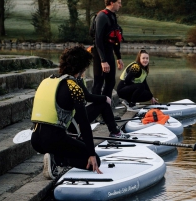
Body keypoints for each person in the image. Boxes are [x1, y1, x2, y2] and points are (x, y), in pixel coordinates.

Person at [30, 45, 126, 180]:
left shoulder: (47, 81)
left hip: (35, 140)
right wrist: (91, 153)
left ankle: (56, 155)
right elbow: (84, 123)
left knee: (71, 144)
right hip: (53, 139)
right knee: (95, 162)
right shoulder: (74, 87)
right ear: (82, 67)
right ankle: (57, 159)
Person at [91, 0, 124, 98]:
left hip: (109, 52)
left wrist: (118, 57)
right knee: (98, 82)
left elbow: (114, 38)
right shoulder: (102, 16)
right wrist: (103, 60)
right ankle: (95, 108)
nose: (120, 5)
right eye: (118, 2)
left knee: (110, 82)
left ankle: (105, 108)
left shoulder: (112, 16)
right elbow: (98, 40)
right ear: (112, 2)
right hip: (99, 53)